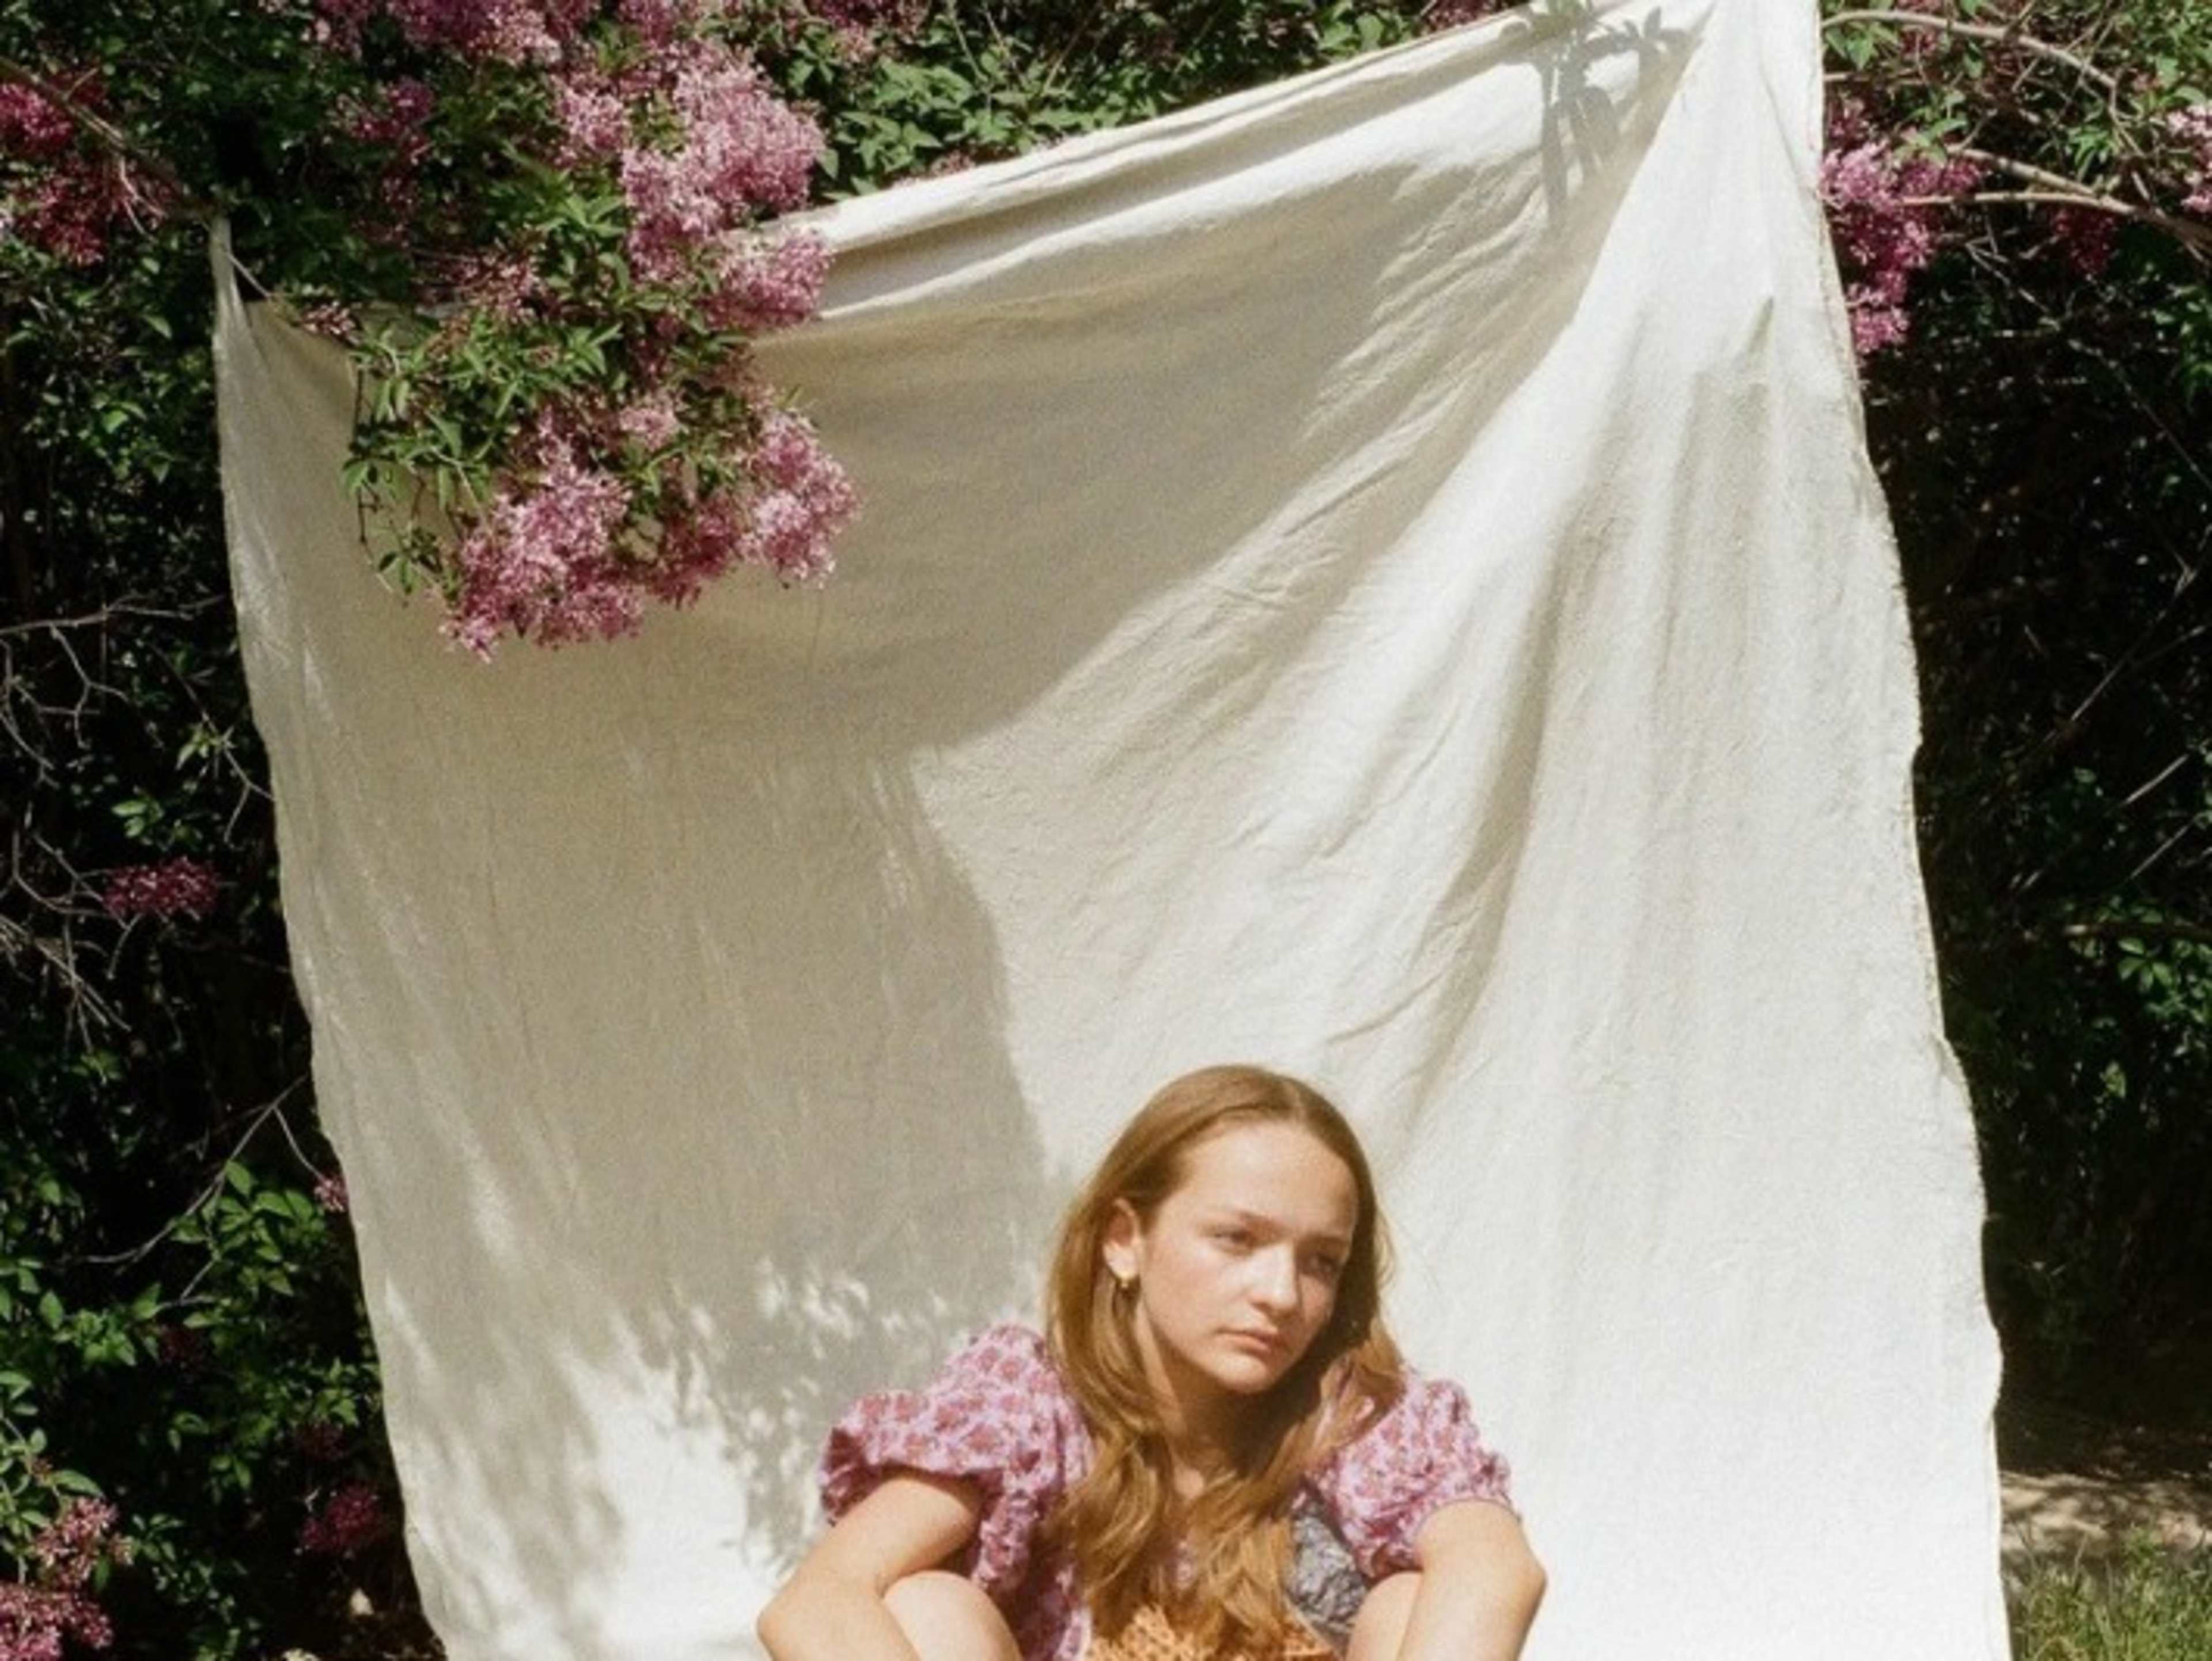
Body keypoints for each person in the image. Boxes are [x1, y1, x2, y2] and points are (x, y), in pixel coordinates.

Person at [757, 1064, 1544, 1661]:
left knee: (1414, 1600)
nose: (1280, 1293)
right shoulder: (1030, 1408)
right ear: (1125, 1239)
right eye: (1237, 1239)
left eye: (1321, 1262)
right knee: (921, 1605)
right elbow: (818, 1602)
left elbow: (1495, 1568)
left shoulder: (1353, 1414)